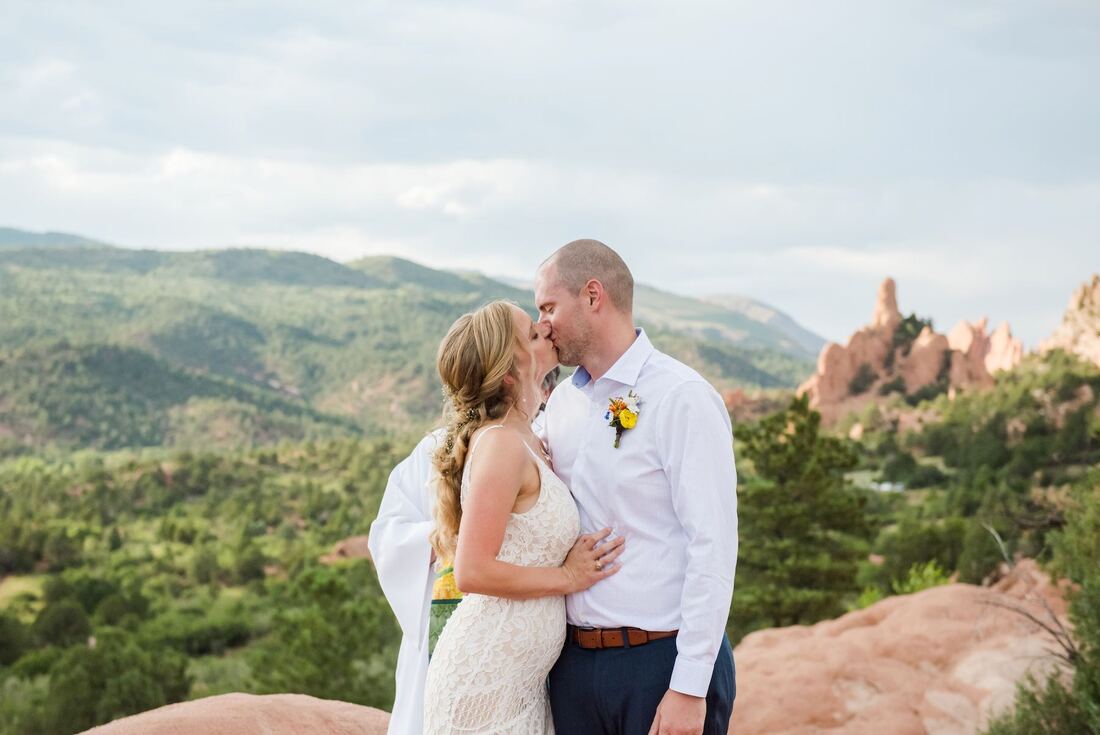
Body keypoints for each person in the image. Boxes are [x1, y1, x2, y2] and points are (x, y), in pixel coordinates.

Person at [536, 240, 738, 735]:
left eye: (548, 307)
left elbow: (712, 544)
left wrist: (689, 685)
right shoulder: (561, 403)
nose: (542, 325)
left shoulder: (681, 397)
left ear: (592, 295)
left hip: (660, 662)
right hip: (573, 670)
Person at [421, 300, 624, 733]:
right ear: (509, 372)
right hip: (486, 682)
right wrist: (568, 579)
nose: (547, 331)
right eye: (533, 334)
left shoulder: (527, 435)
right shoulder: (500, 445)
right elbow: (473, 571)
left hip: (522, 683)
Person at [368, 366, 566, 735]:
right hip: (457, 633)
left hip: (524, 643)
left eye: (547, 387)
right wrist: (454, 533)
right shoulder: (439, 446)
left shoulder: (544, 450)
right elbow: (387, 537)